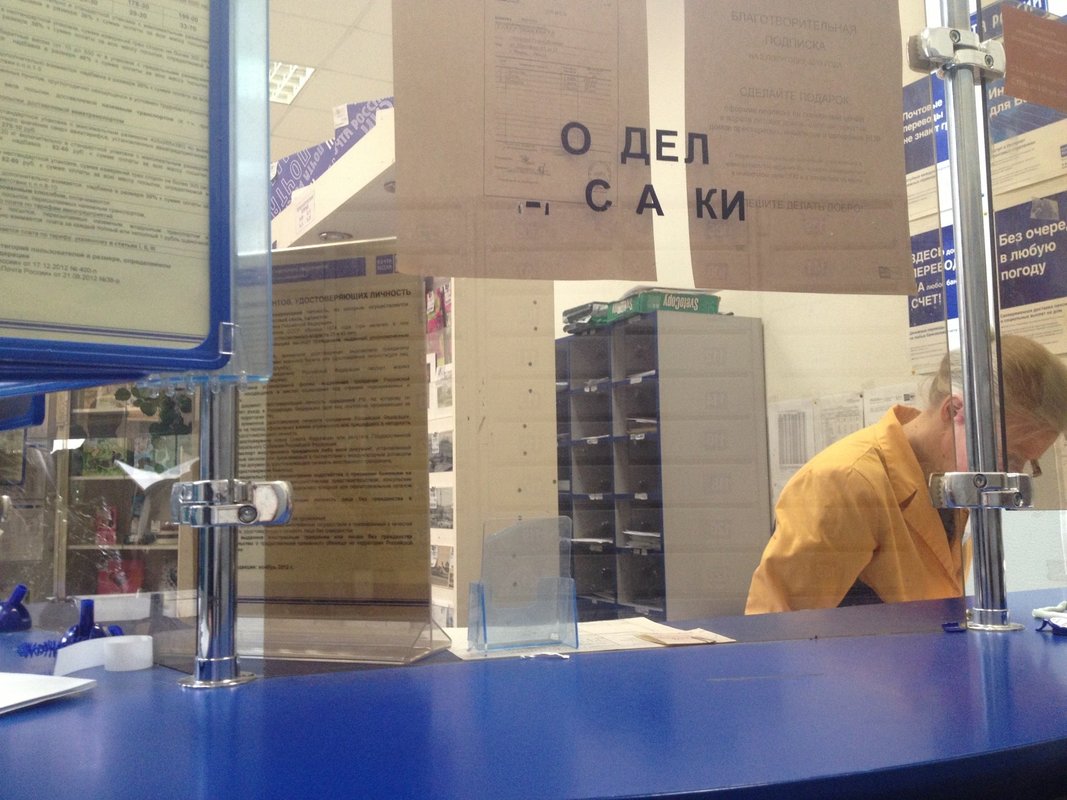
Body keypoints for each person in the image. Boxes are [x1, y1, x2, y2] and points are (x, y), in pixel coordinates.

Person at [745, 335, 1067, 614]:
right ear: (954, 411)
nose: (1010, 475)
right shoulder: (845, 482)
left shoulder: (954, 484)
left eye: (1028, 463)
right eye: (1010, 457)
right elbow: (778, 629)